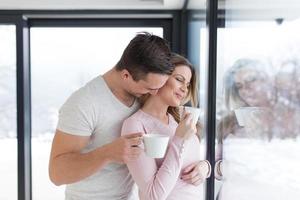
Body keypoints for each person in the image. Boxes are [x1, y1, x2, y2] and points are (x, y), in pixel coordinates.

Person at [49, 32, 174, 200]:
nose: (156, 93)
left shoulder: (143, 97)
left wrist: (204, 167)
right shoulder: (84, 103)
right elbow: (57, 173)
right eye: (150, 88)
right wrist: (107, 153)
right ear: (126, 75)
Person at [121, 53, 211, 200]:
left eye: (187, 85)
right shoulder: (135, 125)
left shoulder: (178, 120)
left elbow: (187, 162)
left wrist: (205, 167)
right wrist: (179, 138)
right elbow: (153, 195)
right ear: (160, 78)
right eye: (179, 80)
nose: (184, 89)